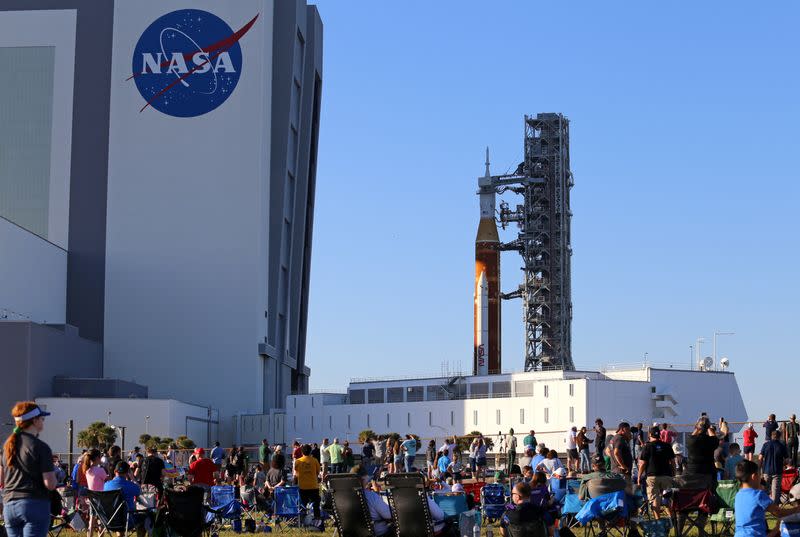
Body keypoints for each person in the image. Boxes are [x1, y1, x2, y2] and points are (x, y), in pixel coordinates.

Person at [0, 402, 57, 537]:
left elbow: (1, 478)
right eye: (42, 419)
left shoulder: (7, 447)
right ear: (34, 420)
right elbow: (50, 484)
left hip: (10, 505)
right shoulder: (40, 447)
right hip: (34, 504)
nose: (43, 422)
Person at [734, 459, 800, 537]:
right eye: (759, 475)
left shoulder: (738, 495)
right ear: (754, 476)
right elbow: (779, 512)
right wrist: (796, 509)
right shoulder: (758, 495)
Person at [638, 426, 675, 519]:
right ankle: (672, 518)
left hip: (652, 477)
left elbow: (642, 463)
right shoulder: (667, 446)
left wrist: (639, 476)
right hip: (666, 476)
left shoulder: (647, 446)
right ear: (659, 434)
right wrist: (673, 473)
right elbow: (673, 462)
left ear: (650, 435)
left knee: (655, 498)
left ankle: (658, 521)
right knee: (667, 498)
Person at [352, 465, 393, 536]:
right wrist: (376, 495)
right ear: (364, 479)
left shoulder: (344, 497)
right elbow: (389, 515)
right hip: (376, 532)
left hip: (352, 532)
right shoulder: (370, 496)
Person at [681, 416, 719, 490]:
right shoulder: (712, 441)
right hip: (708, 472)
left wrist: (697, 428)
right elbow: (715, 438)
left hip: (691, 472)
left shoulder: (691, 440)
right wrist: (710, 429)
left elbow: (692, 436)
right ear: (708, 428)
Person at [292, 444, 321, 520]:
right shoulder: (314, 460)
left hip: (302, 487)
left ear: (302, 452)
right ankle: (317, 519)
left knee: (303, 504)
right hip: (313, 486)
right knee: (316, 504)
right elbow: (318, 472)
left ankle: (302, 519)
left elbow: (295, 473)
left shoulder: (298, 461)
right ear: (310, 451)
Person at [759, 430, 789, 503]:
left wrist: (759, 469)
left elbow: (760, 458)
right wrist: (783, 464)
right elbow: (787, 459)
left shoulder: (765, 445)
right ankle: (774, 508)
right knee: (775, 490)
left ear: (771, 436)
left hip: (766, 470)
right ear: (779, 436)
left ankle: (764, 506)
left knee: (764, 489)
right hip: (777, 471)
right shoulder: (781, 446)